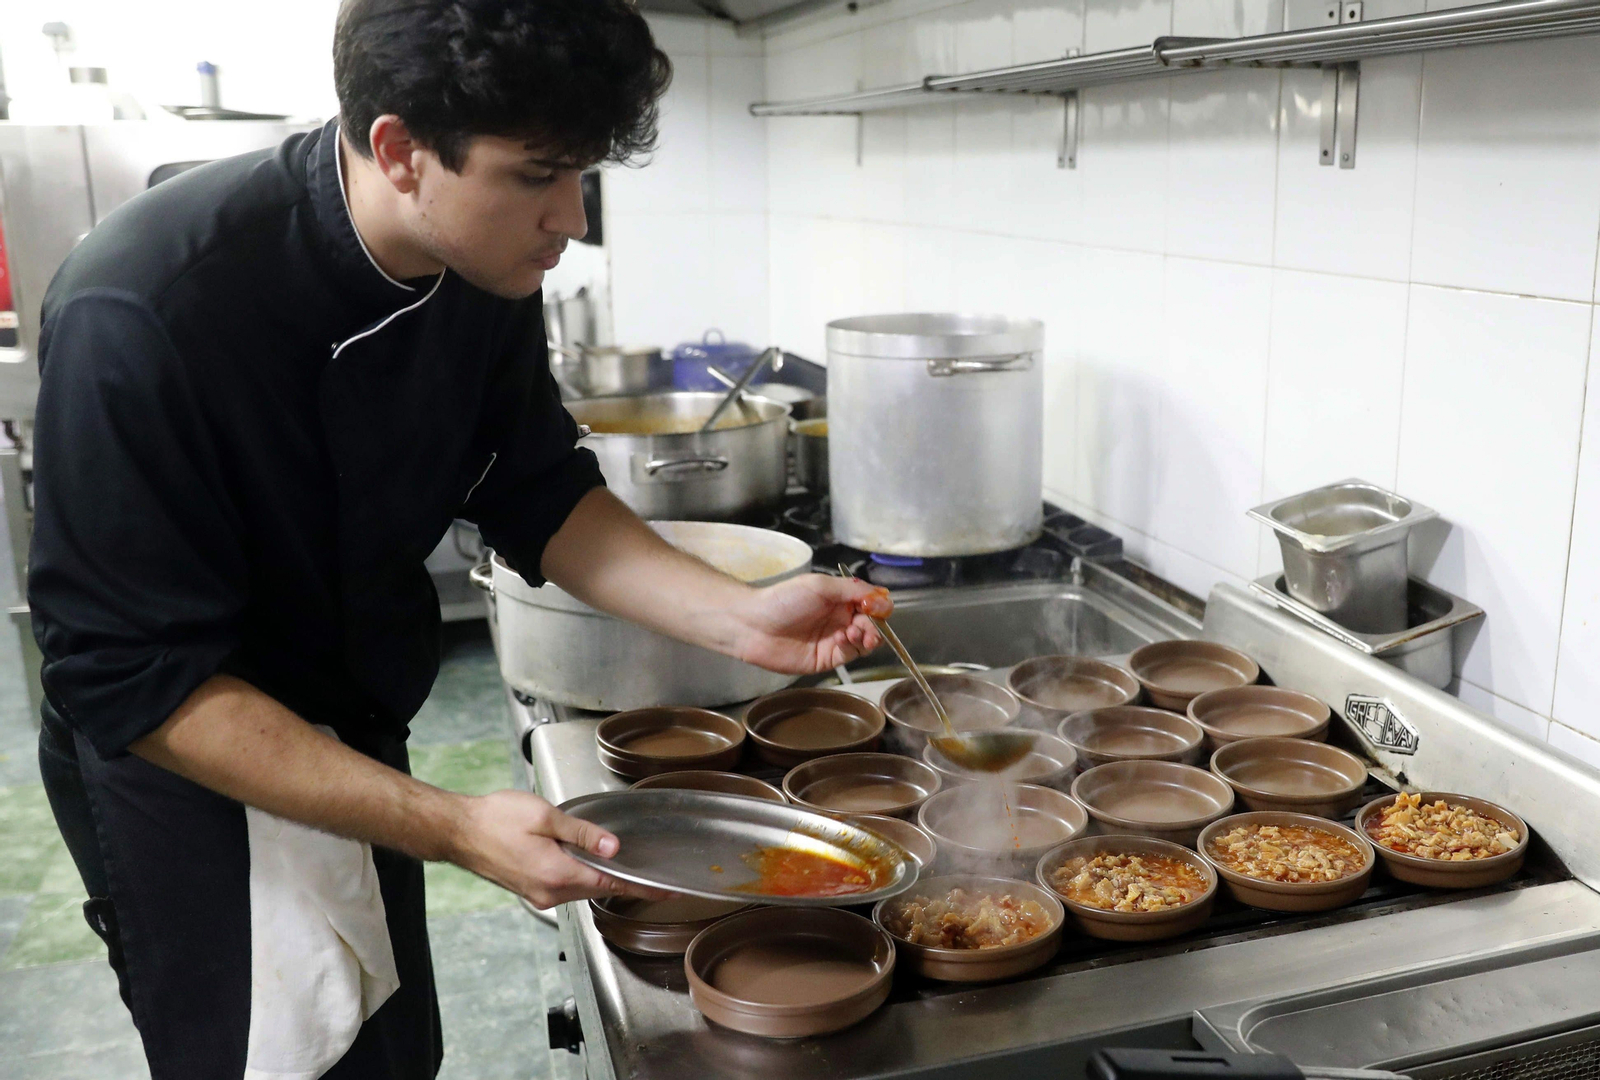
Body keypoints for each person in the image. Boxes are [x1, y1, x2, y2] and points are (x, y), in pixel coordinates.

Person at [27, 2, 890, 1077]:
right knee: (279, 1059)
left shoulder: (474, 264)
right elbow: (137, 680)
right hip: (196, 772)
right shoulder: (147, 307)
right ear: (398, 151)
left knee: (391, 1053)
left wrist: (740, 618)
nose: (571, 218)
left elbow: (536, 489)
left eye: (583, 174)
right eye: (537, 175)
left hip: (350, 724)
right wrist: (450, 824)